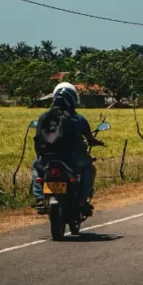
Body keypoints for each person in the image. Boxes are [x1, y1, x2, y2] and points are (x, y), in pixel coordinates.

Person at [31, 82, 104, 214]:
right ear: (73, 99)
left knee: (36, 167)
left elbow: (37, 138)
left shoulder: (43, 117)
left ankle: (39, 198)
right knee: (89, 167)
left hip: (47, 159)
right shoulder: (78, 118)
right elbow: (90, 139)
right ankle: (82, 201)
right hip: (72, 158)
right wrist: (97, 142)